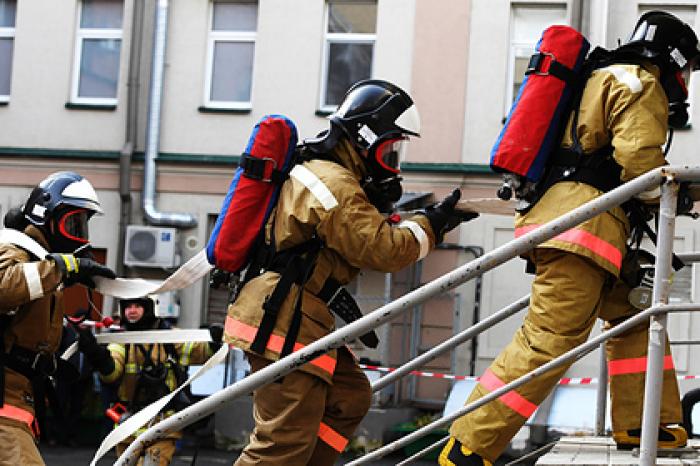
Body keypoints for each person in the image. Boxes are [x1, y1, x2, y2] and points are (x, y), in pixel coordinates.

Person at [440, 11, 700, 466]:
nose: (687, 81)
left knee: (632, 311)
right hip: (584, 228)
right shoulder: (641, 82)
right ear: (673, 60)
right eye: (688, 70)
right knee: (550, 337)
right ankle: (466, 447)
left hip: (579, 223)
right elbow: (640, 163)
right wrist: (681, 191)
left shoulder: (598, 77)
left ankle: (645, 423)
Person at [223, 78, 478, 466]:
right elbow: (382, 248)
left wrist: (427, 218)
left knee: (348, 396)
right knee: (281, 442)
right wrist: (432, 225)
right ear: (365, 139)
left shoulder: (332, 177)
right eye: (389, 150)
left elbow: (364, 228)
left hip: (296, 316)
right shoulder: (334, 183)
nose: (393, 163)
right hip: (282, 320)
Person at [0, 171, 116, 465]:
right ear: (46, 217)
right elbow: (3, 285)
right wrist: (62, 268)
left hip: (18, 400)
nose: (78, 236)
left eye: (82, 226)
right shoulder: (13, 249)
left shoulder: (42, 264)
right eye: (73, 224)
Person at [78, 295, 223, 466]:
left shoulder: (168, 338)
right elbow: (112, 372)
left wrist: (213, 340)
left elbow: (198, 352)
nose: (131, 310)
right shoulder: (121, 340)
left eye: (137, 306)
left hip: (162, 425)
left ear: (148, 309)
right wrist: (96, 354)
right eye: (128, 306)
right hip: (128, 425)